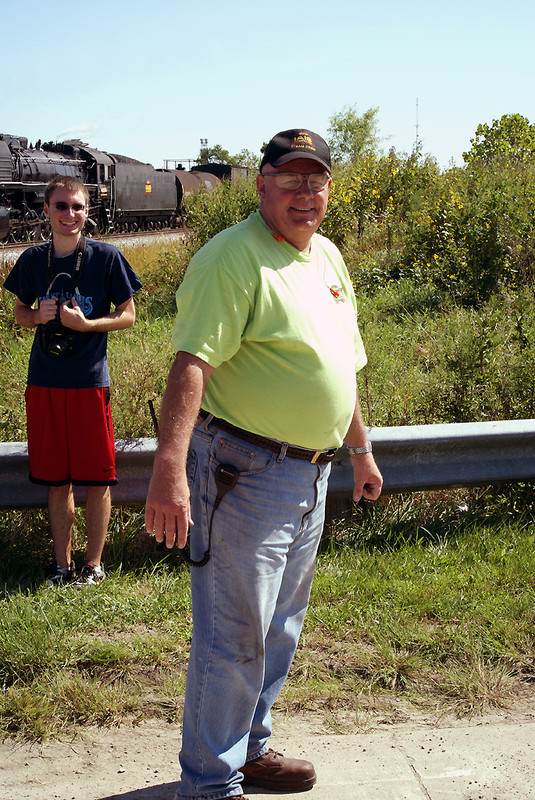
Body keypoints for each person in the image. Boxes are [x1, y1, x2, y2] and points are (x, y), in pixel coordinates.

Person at [144, 128, 383, 800]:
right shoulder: (231, 258)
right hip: (241, 473)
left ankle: (250, 750)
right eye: (291, 179)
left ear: (328, 188)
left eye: (316, 180)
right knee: (233, 636)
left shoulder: (326, 256)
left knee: (277, 628)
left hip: (310, 474)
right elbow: (191, 365)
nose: (304, 193)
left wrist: (358, 450)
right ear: (262, 184)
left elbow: (344, 366)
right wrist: (167, 472)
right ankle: (210, 784)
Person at [3, 175, 142, 587]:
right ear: (45, 211)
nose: (70, 214)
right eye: (61, 206)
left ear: (88, 210)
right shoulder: (31, 260)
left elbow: (129, 315)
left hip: (89, 382)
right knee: (55, 479)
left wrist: (87, 325)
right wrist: (38, 317)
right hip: (44, 382)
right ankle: (61, 566)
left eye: (78, 207)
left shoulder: (106, 257)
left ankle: (93, 565)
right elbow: (19, 314)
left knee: (97, 478)